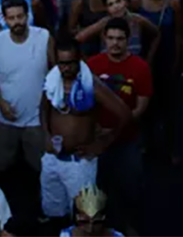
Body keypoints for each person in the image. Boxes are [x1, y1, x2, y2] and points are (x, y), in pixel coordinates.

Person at [39, 35, 131, 225]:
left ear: (79, 58)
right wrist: (46, 135)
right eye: (61, 63)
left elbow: (124, 114)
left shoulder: (92, 86)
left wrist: (103, 143)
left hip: (79, 163)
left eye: (71, 63)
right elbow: (43, 108)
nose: (65, 68)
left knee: (85, 217)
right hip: (53, 159)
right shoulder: (51, 80)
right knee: (53, 212)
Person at [85, 19, 151, 236]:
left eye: (120, 39)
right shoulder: (92, 65)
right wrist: (97, 129)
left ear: (127, 40)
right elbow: (85, 102)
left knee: (130, 188)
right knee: (97, 190)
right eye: (111, 38)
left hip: (126, 140)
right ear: (104, 39)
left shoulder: (140, 68)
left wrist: (113, 131)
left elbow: (141, 107)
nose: (115, 43)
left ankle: (131, 225)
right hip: (97, 140)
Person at [0, 0, 51, 179]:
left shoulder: (43, 37)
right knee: (4, 168)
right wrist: (1, 102)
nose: (17, 22)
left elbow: (54, 71)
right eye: (11, 18)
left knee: (40, 168)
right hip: (4, 118)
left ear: (27, 16)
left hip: (36, 118)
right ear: (4, 20)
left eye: (20, 16)